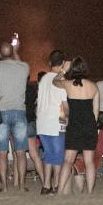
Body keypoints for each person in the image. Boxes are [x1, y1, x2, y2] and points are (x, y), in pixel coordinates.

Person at [0, 39, 32, 192]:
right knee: (21, 152)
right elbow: (21, 65)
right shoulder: (24, 66)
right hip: (20, 112)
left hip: (1, 113)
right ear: (13, 53)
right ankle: (22, 186)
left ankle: (4, 186)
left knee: (1, 152)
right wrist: (16, 50)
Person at [52, 56, 99, 195]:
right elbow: (96, 113)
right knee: (89, 162)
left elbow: (55, 82)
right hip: (89, 125)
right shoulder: (93, 86)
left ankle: (60, 191)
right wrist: (92, 126)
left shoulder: (68, 84)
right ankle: (89, 192)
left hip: (74, 125)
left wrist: (63, 71)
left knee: (68, 160)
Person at [35, 50, 69, 195]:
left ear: (49, 63)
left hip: (42, 121)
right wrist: (65, 119)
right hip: (56, 121)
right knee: (58, 155)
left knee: (48, 154)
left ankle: (46, 185)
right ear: (63, 64)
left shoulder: (43, 79)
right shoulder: (61, 81)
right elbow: (64, 105)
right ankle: (56, 185)